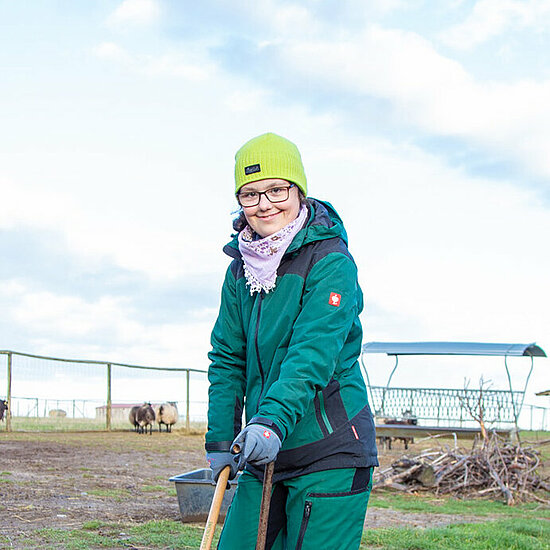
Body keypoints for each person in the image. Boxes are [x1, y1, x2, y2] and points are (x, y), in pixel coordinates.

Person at [205, 132, 378, 550]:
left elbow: (312, 354)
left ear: (298, 190)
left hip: (329, 450)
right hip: (266, 450)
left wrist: (269, 422)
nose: (265, 204)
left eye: (276, 189)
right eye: (250, 194)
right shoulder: (240, 272)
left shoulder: (330, 260)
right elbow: (228, 358)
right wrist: (220, 441)